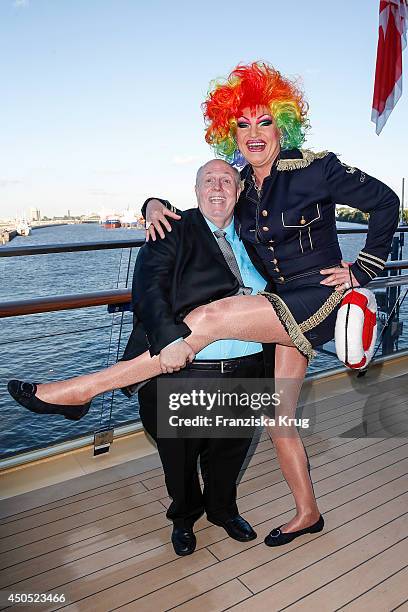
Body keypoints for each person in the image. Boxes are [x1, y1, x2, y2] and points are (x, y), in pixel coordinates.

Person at [8, 62, 399, 548]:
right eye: (242, 123)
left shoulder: (316, 169)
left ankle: (81, 391)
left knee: (207, 318)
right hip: (280, 307)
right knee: (280, 420)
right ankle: (308, 514)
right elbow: (198, 202)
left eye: (265, 121)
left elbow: (386, 202)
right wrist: (151, 204)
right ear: (229, 130)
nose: (254, 133)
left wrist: (362, 268)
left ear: (284, 123)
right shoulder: (240, 183)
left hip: (320, 295)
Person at [10, 159, 273, 556]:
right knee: (180, 461)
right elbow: (148, 289)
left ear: (239, 191)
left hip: (247, 371)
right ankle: (184, 518)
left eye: (226, 181)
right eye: (208, 180)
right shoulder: (174, 229)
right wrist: (168, 340)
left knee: (229, 453)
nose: (217, 187)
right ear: (196, 190)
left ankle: (222, 509)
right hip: (184, 372)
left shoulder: (258, 236)